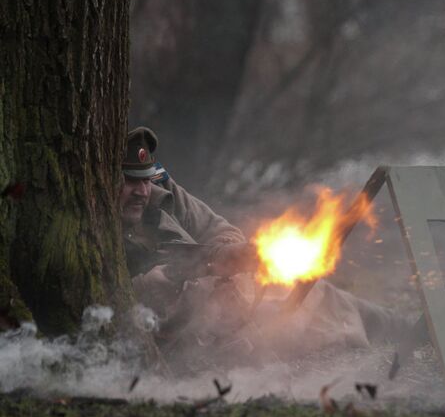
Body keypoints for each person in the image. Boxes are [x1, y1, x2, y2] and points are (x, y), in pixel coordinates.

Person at [120, 127, 409, 373]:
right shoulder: (92, 230)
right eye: (130, 180)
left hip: (229, 303)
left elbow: (220, 230)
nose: (142, 191)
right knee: (316, 328)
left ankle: (411, 330)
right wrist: (147, 287)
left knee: (320, 295)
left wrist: (228, 255)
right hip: (197, 337)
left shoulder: (164, 192)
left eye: (145, 179)